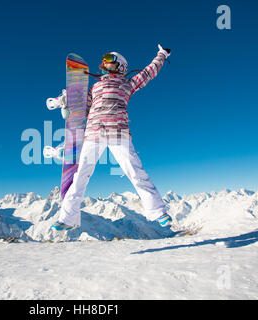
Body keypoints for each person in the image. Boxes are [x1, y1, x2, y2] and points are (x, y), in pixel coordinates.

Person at [52, 45, 173, 231]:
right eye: (104, 59)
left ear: (121, 66)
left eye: (109, 59)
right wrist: (67, 107)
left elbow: (148, 73)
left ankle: (158, 211)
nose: (104, 62)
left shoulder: (128, 84)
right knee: (80, 176)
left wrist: (161, 55)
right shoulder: (95, 87)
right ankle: (68, 218)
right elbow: (84, 110)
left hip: (119, 133)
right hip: (93, 134)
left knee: (135, 171)